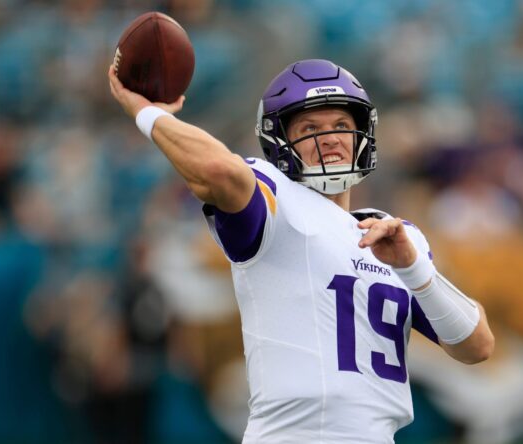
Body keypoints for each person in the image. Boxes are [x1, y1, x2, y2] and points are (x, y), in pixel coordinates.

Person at [109, 59, 494, 444]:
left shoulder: (395, 237)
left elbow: (476, 346)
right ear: (279, 140)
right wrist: (150, 114)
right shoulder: (275, 198)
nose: (330, 139)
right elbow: (219, 172)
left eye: (341, 125)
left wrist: (413, 268)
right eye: (310, 128)